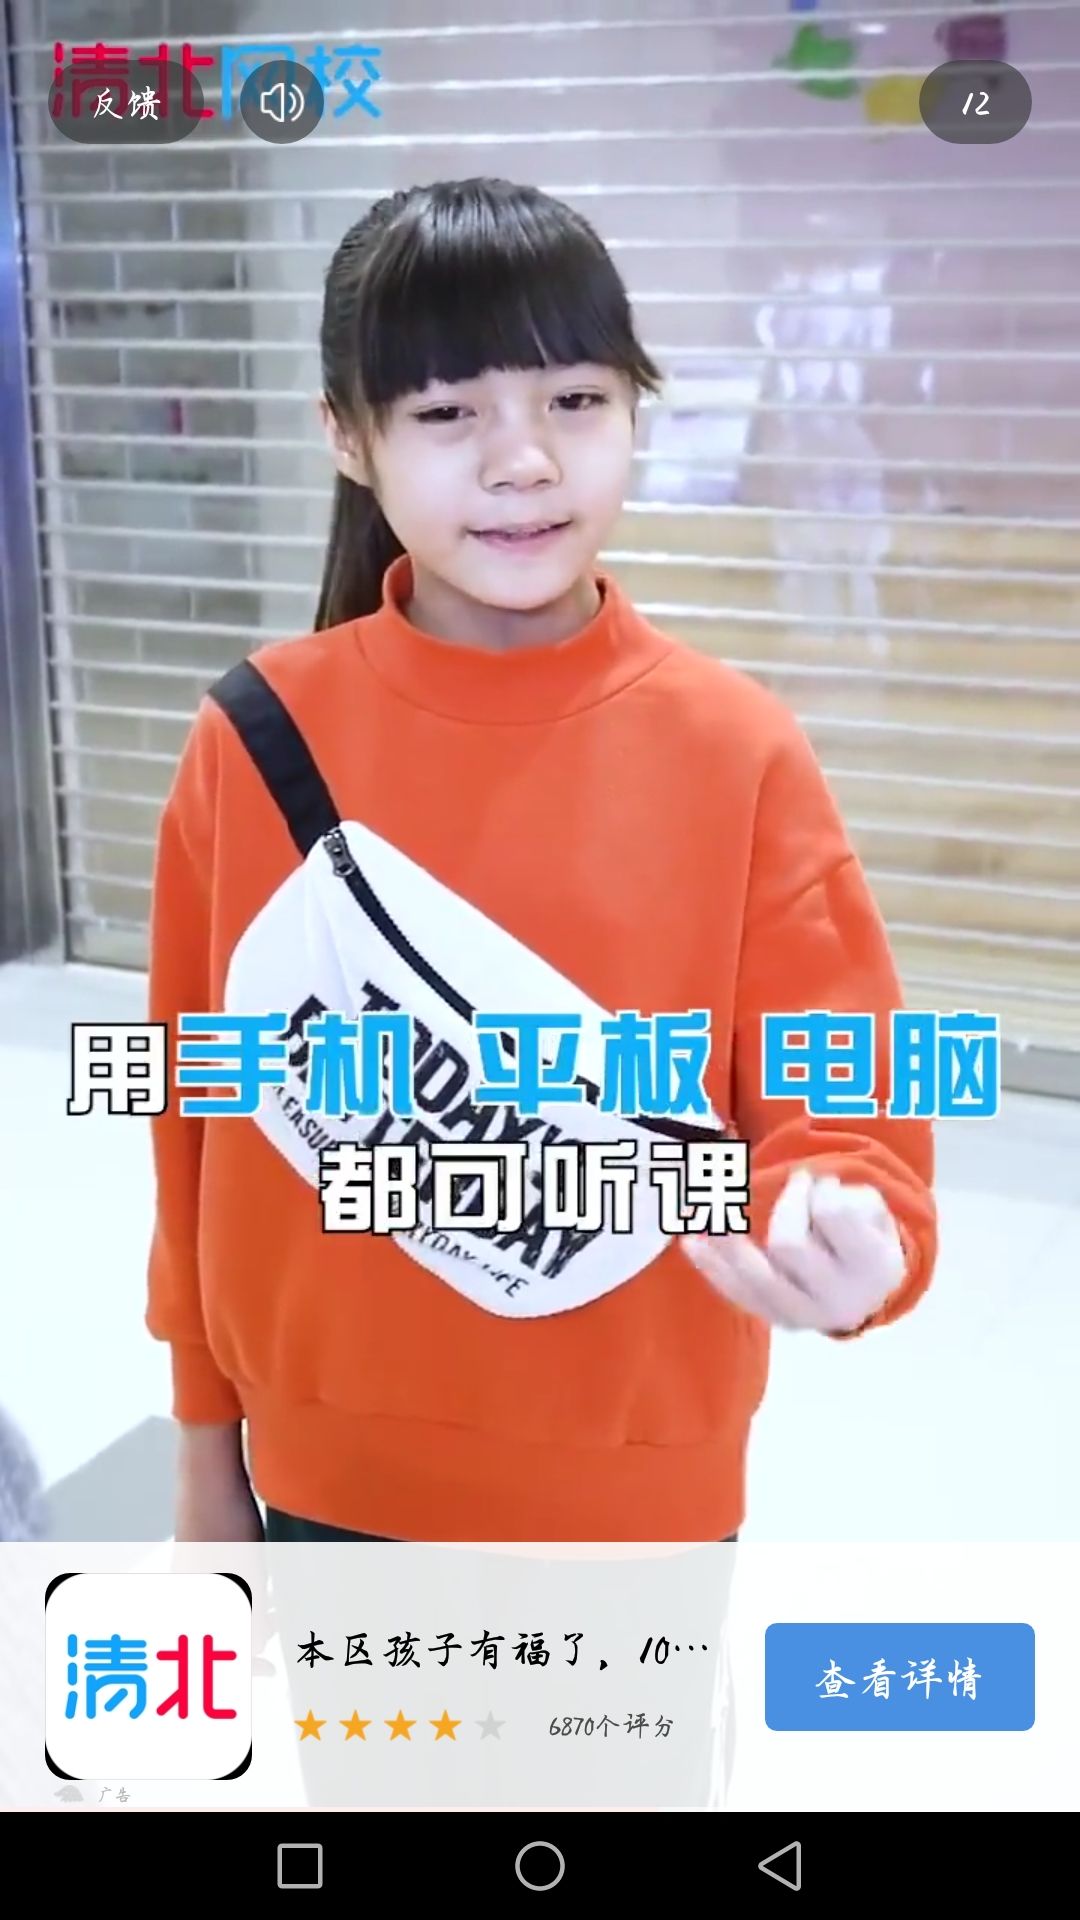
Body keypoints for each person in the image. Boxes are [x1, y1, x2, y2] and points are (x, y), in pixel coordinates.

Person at [146, 177, 936, 1550]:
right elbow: (198, 1130)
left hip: (637, 1501)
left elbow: (838, 1102)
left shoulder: (735, 748)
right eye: (447, 413)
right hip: (326, 1483)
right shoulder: (254, 738)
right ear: (347, 437)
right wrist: (205, 1458)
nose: (523, 462)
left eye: (574, 399)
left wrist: (845, 1227)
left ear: (636, 408)